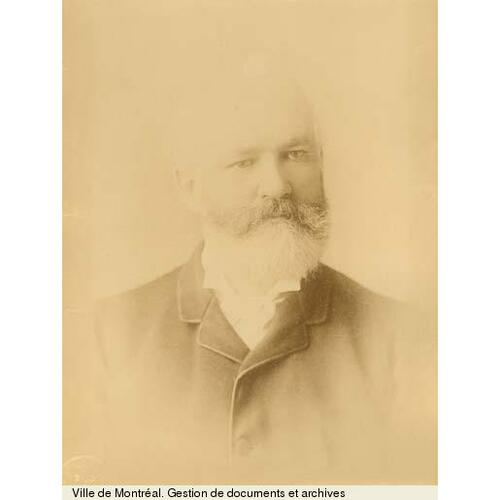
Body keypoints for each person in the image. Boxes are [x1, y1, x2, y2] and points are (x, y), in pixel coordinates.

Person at [74, 58, 436, 484]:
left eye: (296, 155)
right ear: (189, 187)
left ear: (321, 162)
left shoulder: (402, 340)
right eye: (244, 162)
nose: (278, 185)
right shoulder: (105, 338)